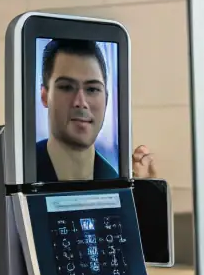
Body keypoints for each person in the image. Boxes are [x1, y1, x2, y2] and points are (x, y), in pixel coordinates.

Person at [36, 38, 157, 181]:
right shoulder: (17, 173)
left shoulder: (116, 181)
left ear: (106, 98)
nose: (81, 102)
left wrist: (146, 198)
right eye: (66, 87)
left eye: (92, 89)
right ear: (44, 96)